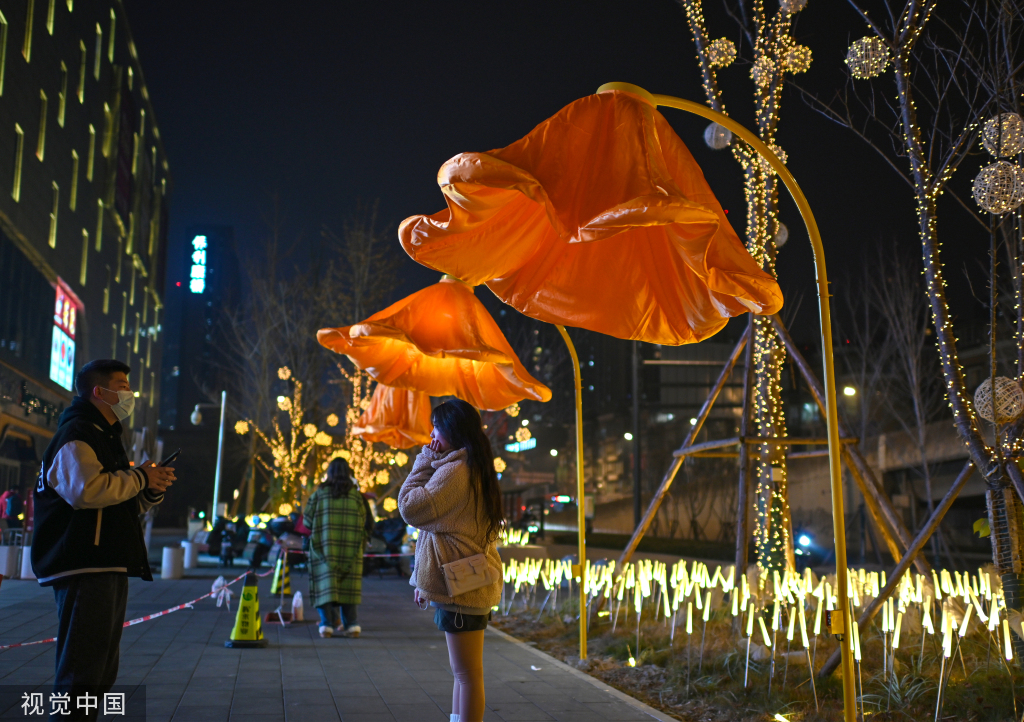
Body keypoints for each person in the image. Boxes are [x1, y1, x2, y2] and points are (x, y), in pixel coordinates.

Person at [31, 359, 175, 721]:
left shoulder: (106, 437)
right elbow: (87, 491)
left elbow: (117, 501)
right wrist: (139, 478)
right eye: (122, 385)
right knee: (81, 674)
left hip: (107, 560)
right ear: (99, 392)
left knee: (99, 672)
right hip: (83, 563)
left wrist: (150, 488)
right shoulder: (77, 433)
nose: (129, 394)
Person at [399, 399, 504, 722]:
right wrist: (422, 581)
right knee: (464, 674)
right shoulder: (472, 465)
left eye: (435, 427)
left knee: (467, 675)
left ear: (450, 431)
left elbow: (410, 507)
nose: (430, 435)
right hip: (463, 582)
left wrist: (424, 460)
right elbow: (440, 529)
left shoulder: (455, 470)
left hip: (462, 588)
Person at [303, 457, 372, 638]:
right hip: (352, 549)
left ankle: (326, 624)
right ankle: (352, 625)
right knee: (348, 587)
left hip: (324, 549)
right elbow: (365, 521)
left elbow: (307, 521)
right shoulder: (356, 496)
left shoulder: (319, 494)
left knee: (325, 585)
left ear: (329, 473)